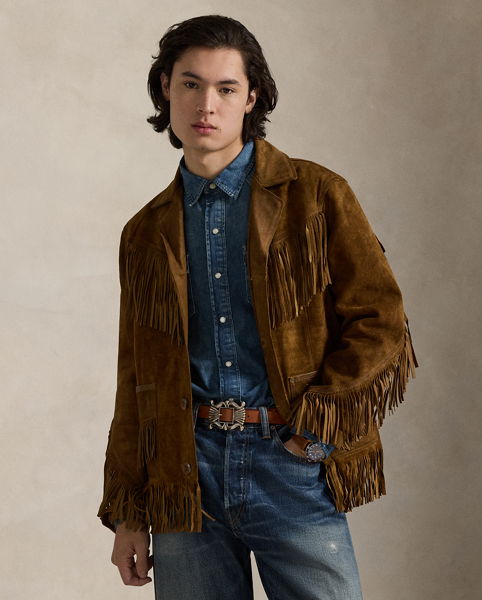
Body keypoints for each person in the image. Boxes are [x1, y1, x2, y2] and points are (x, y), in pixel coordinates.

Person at [97, 14, 419, 600]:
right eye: (190, 84)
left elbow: (382, 322)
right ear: (165, 88)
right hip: (184, 476)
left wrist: (313, 433)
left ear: (251, 98)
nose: (206, 105)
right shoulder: (145, 232)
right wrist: (128, 511)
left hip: (289, 463)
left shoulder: (316, 196)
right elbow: (134, 376)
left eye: (226, 88)